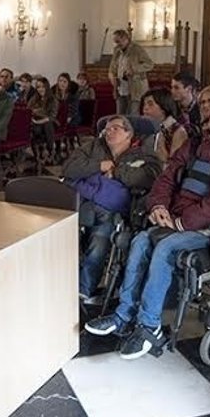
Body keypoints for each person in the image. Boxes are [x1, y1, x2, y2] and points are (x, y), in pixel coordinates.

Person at [85, 93, 210, 358]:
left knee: (165, 247)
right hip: (175, 220)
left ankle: (150, 326)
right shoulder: (194, 144)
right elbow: (166, 179)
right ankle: (123, 315)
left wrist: (181, 222)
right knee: (140, 240)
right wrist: (158, 206)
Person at [63, 116, 161, 305]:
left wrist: (116, 172)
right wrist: (99, 166)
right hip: (84, 202)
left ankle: (84, 288)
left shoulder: (143, 153)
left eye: (115, 128)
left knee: (102, 231)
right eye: (106, 129)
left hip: (118, 210)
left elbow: (148, 178)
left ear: (129, 134)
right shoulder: (93, 147)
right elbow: (68, 168)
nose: (109, 132)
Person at [108, 28, 154, 115]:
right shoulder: (117, 50)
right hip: (120, 87)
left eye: (118, 41)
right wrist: (111, 77)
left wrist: (134, 69)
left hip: (134, 88)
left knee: (133, 115)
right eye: (115, 42)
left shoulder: (137, 49)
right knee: (120, 115)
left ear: (125, 39)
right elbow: (112, 68)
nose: (116, 44)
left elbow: (150, 64)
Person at [141, 87, 186, 163]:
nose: (145, 108)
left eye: (150, 104)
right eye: (144, 104)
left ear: (164, 107)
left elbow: (174, 165)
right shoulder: (145, 129)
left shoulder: (177, 131)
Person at [29, 75, 59, 158]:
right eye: (38, 87)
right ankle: (37, 153)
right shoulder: (34, 98)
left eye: (43, 87)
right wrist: (33, 119)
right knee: (33, 129)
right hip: (35, 121)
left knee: (47, 125)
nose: (40, 89)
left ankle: (50, 150)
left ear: (47, 87)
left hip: (49, 122)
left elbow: (51, 117)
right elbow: (28, 110)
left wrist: (38, 120)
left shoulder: (53, 99)